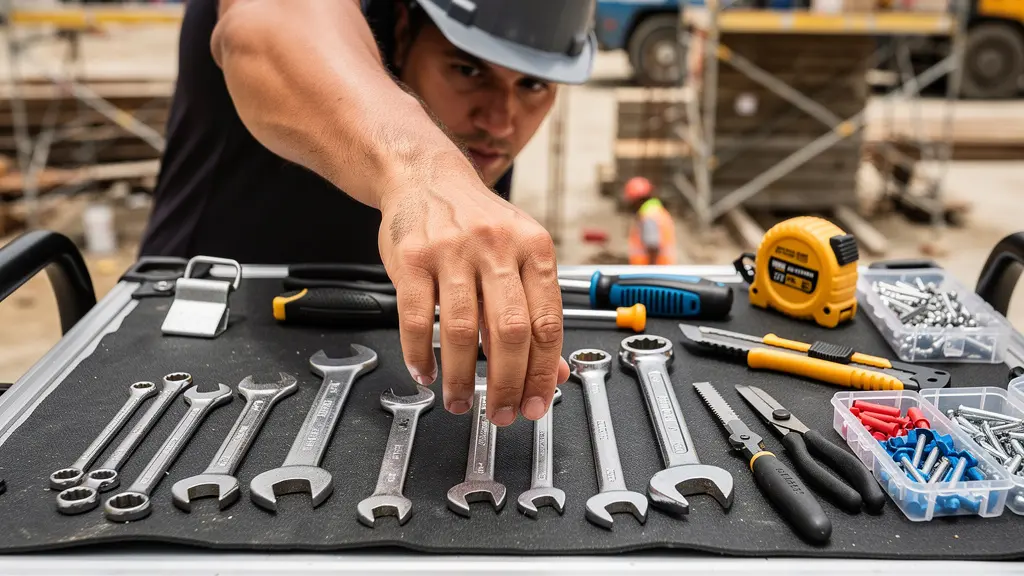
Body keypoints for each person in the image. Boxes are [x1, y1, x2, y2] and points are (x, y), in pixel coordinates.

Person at [138, 0, 598, 427]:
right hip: (199, 325)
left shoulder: (485, 118)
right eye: (467, 69)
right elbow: (267, 23)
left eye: (533, 84)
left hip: (367, 348)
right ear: (401, 25)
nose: (500, 121)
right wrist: (425, 170)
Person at [624, 177, 677, 265]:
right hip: (661, 269)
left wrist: (650, 271)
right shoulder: (656, 210)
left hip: (652, 271)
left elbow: (652, 245)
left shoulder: (648, 215)